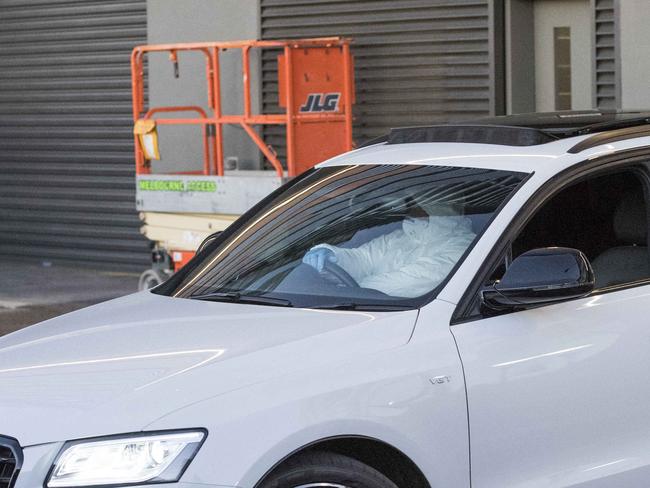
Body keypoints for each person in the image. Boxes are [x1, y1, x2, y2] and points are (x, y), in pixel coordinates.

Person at [302, 203, 476, 297]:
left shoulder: (462, 248)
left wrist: (345, 290)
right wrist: (333, 256)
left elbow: (407, 283)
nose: (410, 211)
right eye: (410, 205)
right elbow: (363, 258)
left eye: (418, 206)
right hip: (362, 311)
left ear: (438, 210)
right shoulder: (400, 237)